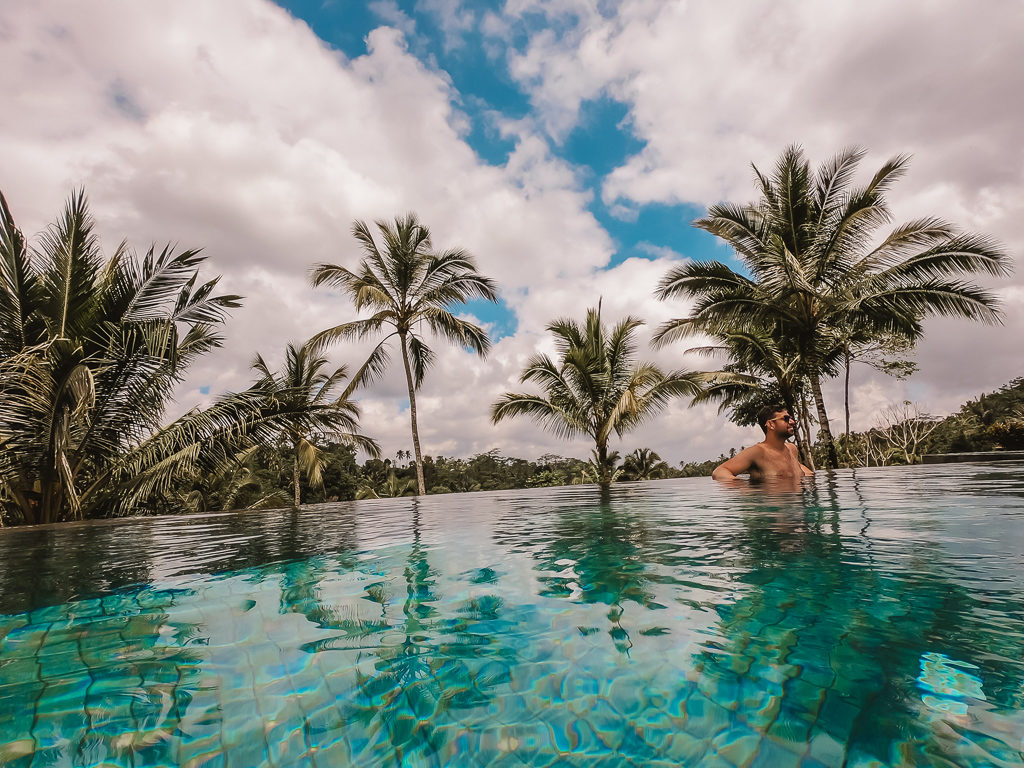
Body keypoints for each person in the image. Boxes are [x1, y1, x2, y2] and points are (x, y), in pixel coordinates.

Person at [712, 405, 814, 481]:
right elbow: (719, 472)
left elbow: (796, 469)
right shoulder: (758, 452)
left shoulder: (792, 449)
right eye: (786, 419)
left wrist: (812, 478)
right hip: (772, 508)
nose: (792, 422)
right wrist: (741, 487)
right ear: (771, 424)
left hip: (796, 507)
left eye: (791, 418)